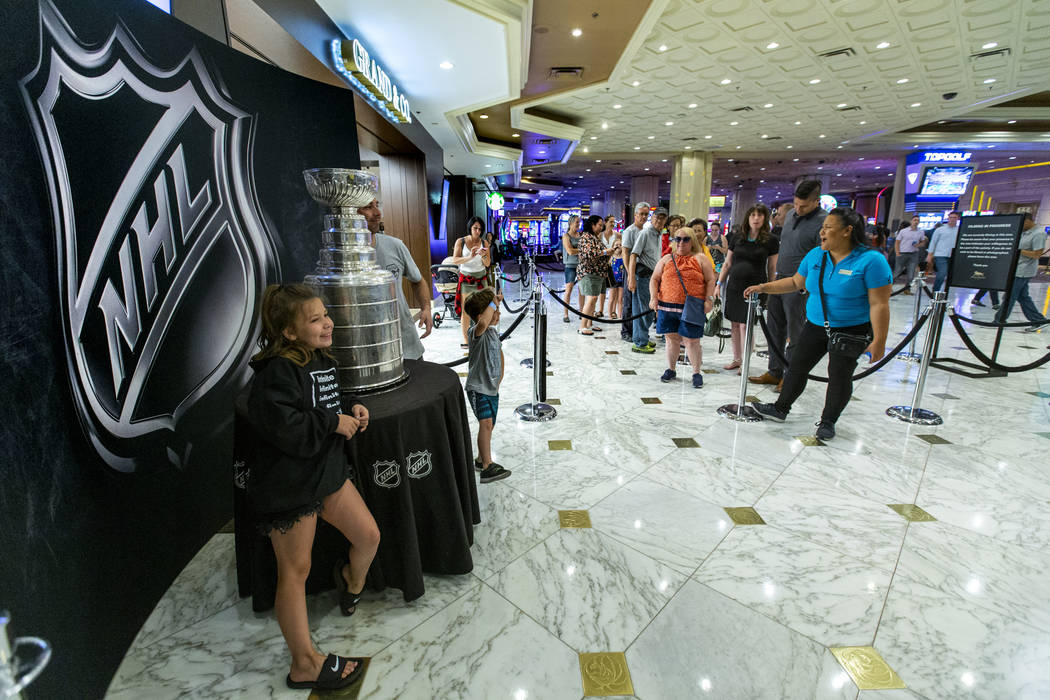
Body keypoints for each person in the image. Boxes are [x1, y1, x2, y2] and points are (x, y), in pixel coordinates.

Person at [245, 284, 380, 691]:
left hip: (325, 474)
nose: (328, 323)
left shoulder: (320, 359)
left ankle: (350, 582)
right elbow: (286, 428)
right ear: (288, 331)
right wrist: (332, 423)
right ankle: (303, 663)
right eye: (316, 318)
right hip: (290, 485)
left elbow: (322, 402)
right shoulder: (275, 374)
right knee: (295, 570)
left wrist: (349, 408)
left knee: (369, 536)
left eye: (326, 315)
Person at [748, 208, 892, 440]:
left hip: (851, 330)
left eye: (828, 227)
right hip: (815, 325)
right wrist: (764, 287)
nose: (822, 232)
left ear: (847, 231)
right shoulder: (816, 255)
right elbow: (796, 282)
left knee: (839, 375)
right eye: (822, 227)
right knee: (796, 366)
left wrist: (879, 341)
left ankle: (828, 421)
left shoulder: (872, 261)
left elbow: (879, 304)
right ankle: (780, 408)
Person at [750, 181, 824, 391]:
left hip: (799, 285)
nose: (798, 210)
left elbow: (821, 258)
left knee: (795, 334)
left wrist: (807, 286)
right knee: (774, 329)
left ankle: (790, 377)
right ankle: (775, 372)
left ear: (816, 201)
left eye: (804, 206)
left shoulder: (823, 222)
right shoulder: (790, 215)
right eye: (796, 205)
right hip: (780, 280)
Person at [357, 199, 434, 358]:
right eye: (368, 207)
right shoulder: (337, 256)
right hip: (365, 352)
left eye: (377, 206)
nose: (378, 213)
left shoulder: (395, 245)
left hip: (406, 345)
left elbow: (418, 280)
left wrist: (426, 308)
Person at [715, 204, 779, 372]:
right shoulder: (738, 237)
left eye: (759, 215)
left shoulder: (770, 240)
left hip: (755, 287)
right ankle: (737, 358)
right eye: (752, 215)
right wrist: (719, 284)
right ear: (747, 218)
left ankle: (745, 361)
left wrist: (770, 289)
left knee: (746, 324)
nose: (756, 218)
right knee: (734, 324)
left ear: (764, 218)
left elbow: (772, 268)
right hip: (734, 285)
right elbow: (728, 263)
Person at [649, 227, 716, 388]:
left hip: (691, 307)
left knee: (692, 340)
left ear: (692, 241)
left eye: (685, 239)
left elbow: (710, 280)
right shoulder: (666, 259)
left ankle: (696, 372)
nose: (681, 242)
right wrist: (653, 298)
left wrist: (709, 300)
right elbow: (655, 279)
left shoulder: (700, 258)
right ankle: (671, 369)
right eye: (677, 239)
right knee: (671, 339)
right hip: (667, 306)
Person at [463, 287, 511, 483]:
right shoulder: (476, 332)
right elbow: (483, 321)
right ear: (482, 315)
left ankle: (480, 458)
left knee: (489, 427)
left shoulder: (491, 333)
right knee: (486, 423)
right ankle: (487, 466)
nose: (498, 313)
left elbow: (499, 354)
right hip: (478, 388)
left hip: (491, 389)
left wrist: (499, 380)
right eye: (494, 311)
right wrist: (493, 300)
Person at [994, 212, 1050, 332]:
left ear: (1028, 221)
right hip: (1017, 268)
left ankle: (999, 320)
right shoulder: (1024, 232)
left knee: (1010, 296)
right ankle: (1038, 320)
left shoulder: (1039, 233)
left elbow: (1037, 254)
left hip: (1024, 270)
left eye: (1022, 222)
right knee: (1023, 297)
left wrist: (1018, 250)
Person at [449, 216, 491, 347]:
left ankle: (481, 336)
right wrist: (470, 257)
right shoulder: (461, 242)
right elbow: (455, 260)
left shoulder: (484, 243)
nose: (477, 231)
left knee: (483, 310)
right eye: (475, 228)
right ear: (470, 228)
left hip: (481, 279)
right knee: (466, 312)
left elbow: (488, 263)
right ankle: (466, 341)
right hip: (467, 279)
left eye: (480, 229)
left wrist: (483, 255)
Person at [629, 207, 665, 353]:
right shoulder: (645, 233)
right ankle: (640, 342)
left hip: (652, 276)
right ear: (652, 218)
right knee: (644, 310)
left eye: (662, 218)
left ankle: (642, 338)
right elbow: (633, 255)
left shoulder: (659, 234)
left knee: (645, 310)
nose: (659, 220)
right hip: (643, 275)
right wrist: (631, 278)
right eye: (656, 217)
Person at [620, 202, 651, 342]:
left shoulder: (647, 231)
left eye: (646, 214)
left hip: (644, 272)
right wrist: (629, 274)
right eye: (641, 214)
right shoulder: (630, 231)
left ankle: (638, 331)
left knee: (640, 303)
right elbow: (625, 253)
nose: (644, 217)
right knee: (629, 302)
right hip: (631, 270)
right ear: (635, 215)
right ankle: (626, 331)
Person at [576, 215, 608, 335]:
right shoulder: (586, 237)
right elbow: (589, 254)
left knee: (594, 299)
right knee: (591, 298)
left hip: (597, 273)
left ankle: (589, 323)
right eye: (599, 224)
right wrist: (605, 252)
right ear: (592, 225)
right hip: (588, 272)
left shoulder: (594, 237)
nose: (601, 227)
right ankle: (582, 326)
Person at [925, 211, 961, 292]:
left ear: (958, 218)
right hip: (940, 254)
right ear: (948, 218)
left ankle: (945, 290)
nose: (952, 219)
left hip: (953, 256)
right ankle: (936, 290)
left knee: (950, 275)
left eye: (954, 218)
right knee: (942, 273)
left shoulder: (959, 230)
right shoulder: (940, 230)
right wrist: (930, 254)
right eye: (951, 217)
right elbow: (933, 242)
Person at [894, 215, 927, 291]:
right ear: (911, 221)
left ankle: (907, 289)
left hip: (913, 254)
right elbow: (897, 242)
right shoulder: (903, 231)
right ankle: (888, 287)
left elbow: (923, 242)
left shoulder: (921, 232)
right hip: (902, 253)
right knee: (897, 272)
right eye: (915, 220)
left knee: (911, 274)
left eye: (918, 220)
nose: (916, 222)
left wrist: (918, 245)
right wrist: (897, 253)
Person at [599, 215, 622, 319]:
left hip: (613, 263)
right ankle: (600, 309)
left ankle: (613, 312)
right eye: (611, 222)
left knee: (614, 289)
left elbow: (622, 246)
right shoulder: (600, 235)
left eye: (614, 222)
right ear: (605, 222)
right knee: (602, 288)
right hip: (602, 263)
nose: (612, 224)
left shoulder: (617, 235)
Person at [561, 214, 581, 323]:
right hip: (570, 266)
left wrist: (577, 250)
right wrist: (581, 250)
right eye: (577, 222)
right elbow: (570, 251)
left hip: (581, 265)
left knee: (582, 290)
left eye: (579, 222)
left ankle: (582, 312)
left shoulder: (581, 235)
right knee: (568, 289)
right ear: (571, 223)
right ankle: (565, 313)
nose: (578, 224)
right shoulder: (566, 236)